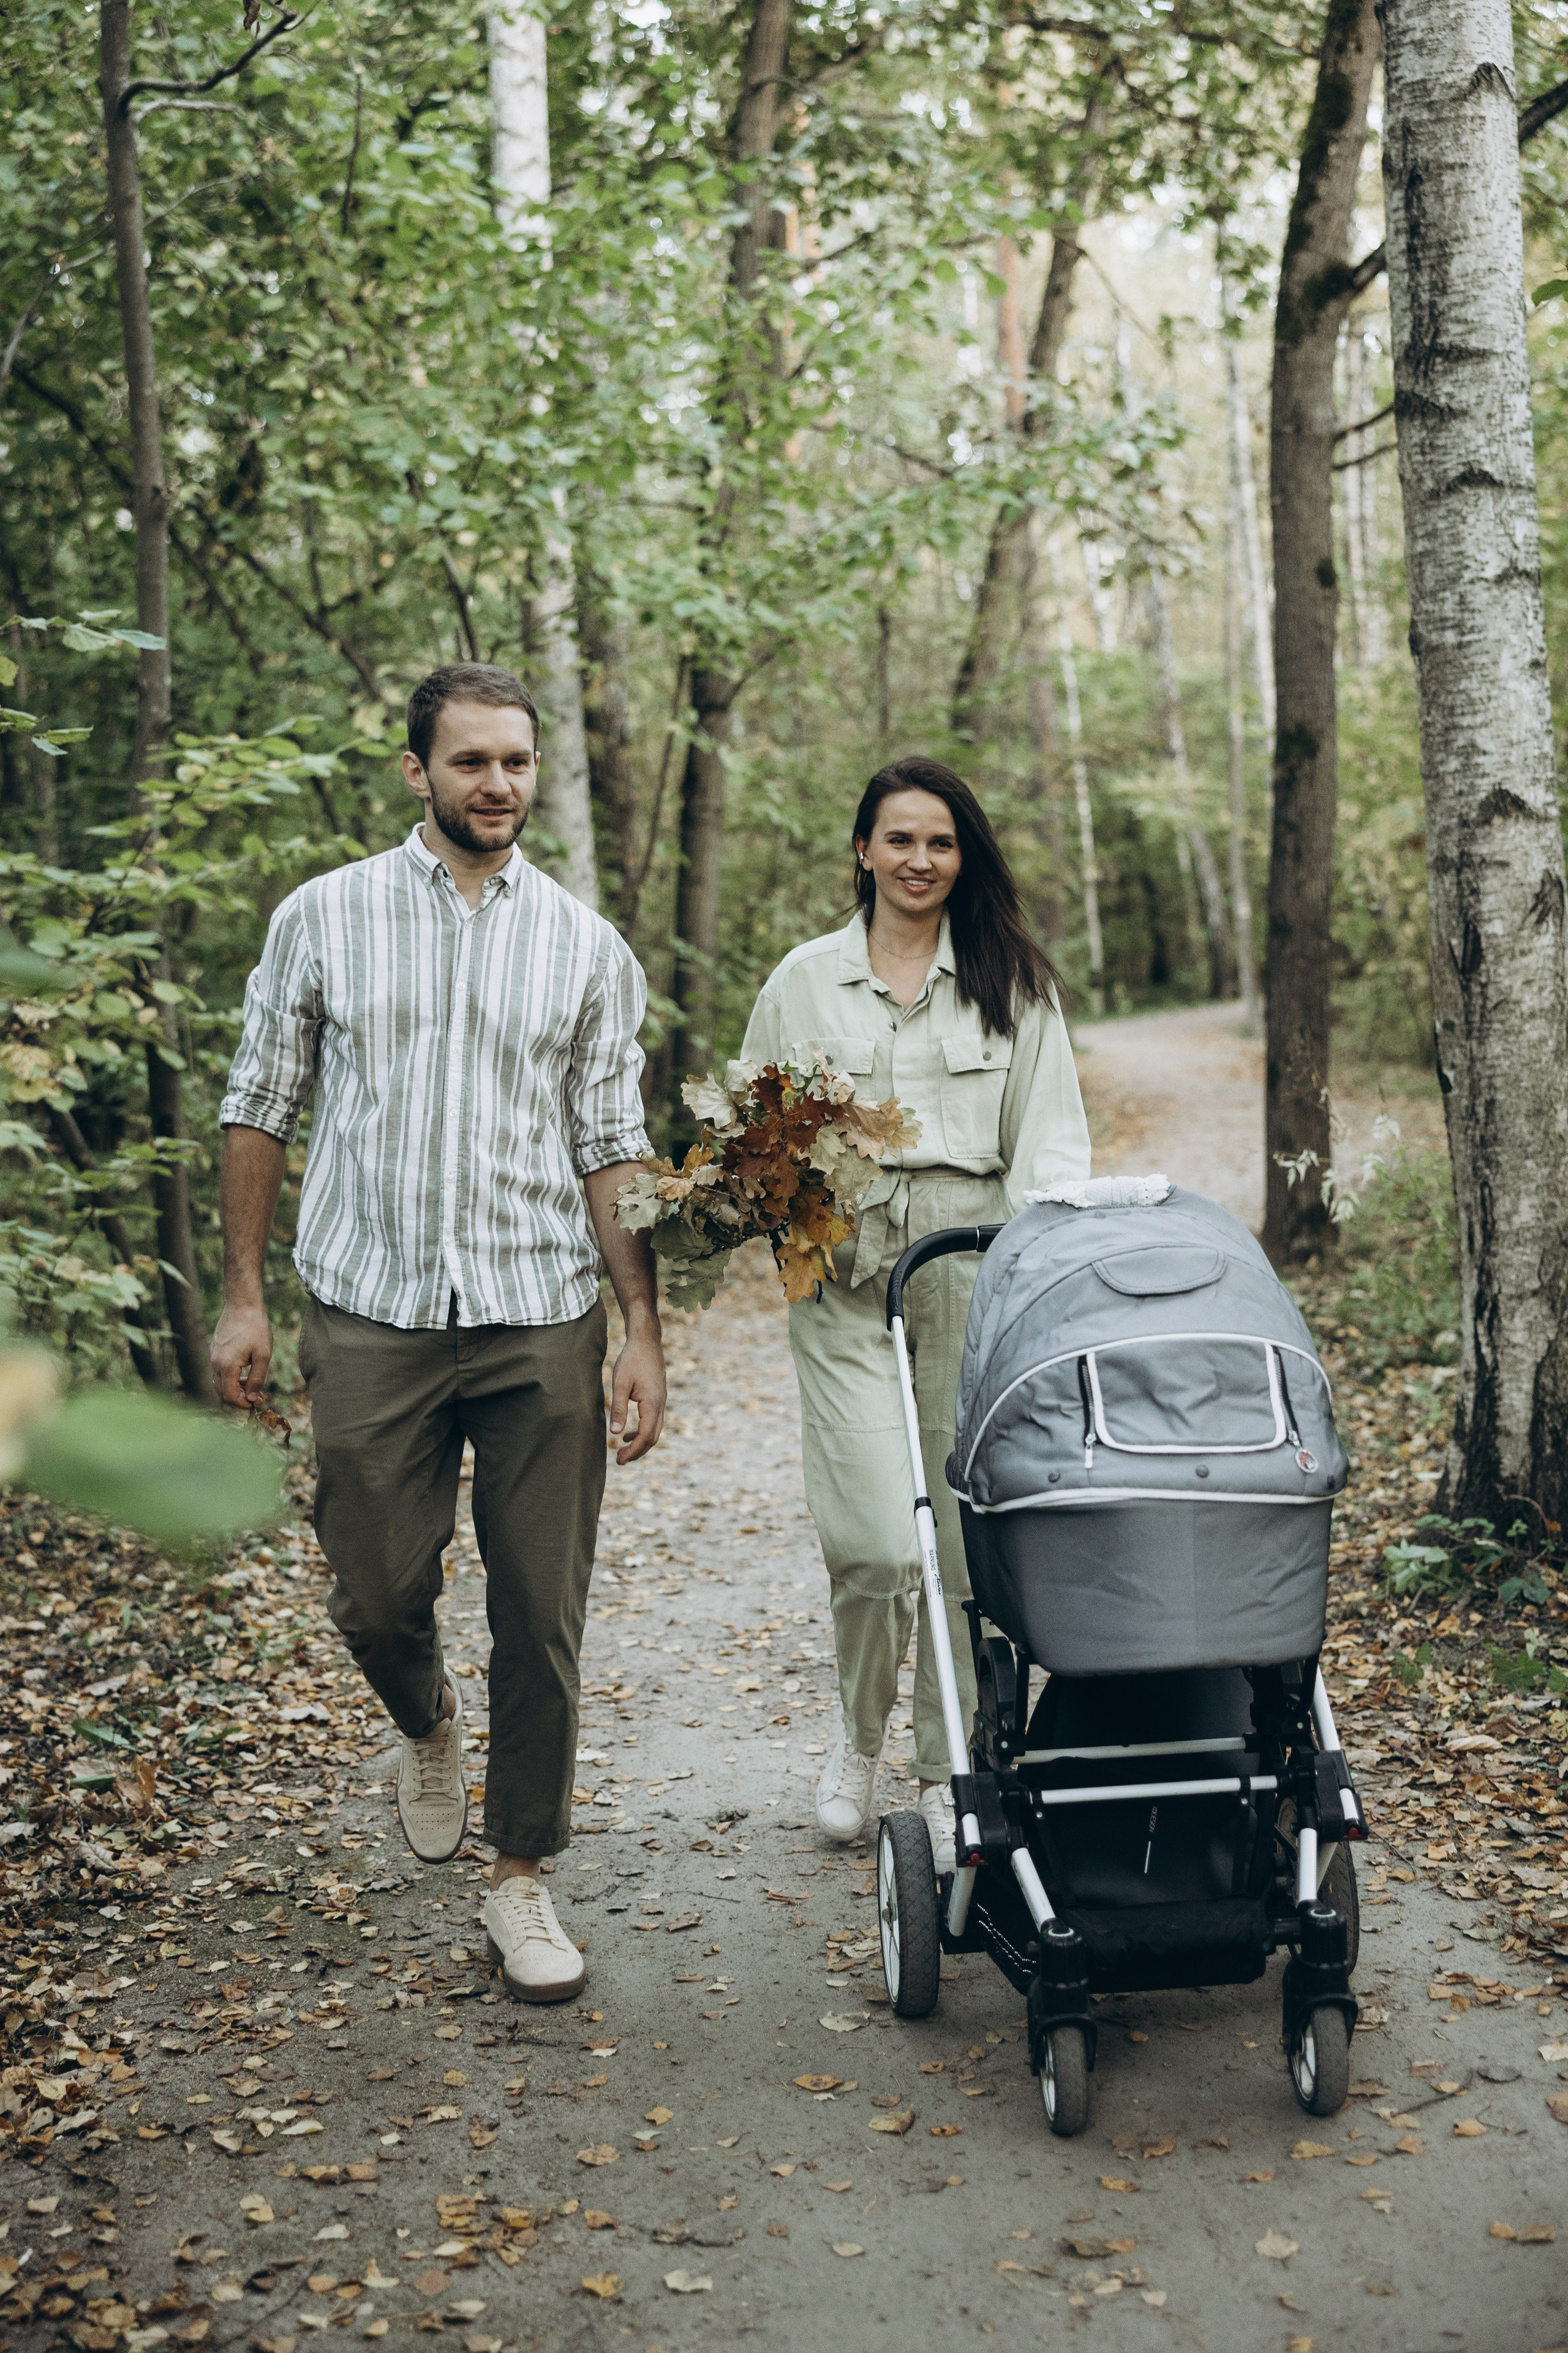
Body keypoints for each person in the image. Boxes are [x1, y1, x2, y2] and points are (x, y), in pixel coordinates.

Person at [211, 662, 666, 2004]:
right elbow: (260, 1104)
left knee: (541, 1609)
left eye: (515, 763)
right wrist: (243, 1292)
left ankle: (519, 1876)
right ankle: (422, 1720)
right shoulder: (325, 918)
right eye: (470, 762)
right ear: (418, 770)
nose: (496, 785)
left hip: (539, 1314)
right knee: (370, 1583)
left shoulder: (586, 947)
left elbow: (611, 1147)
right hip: (372, 1307)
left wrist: (641, 1326)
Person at [742, 756, 1090, 1867]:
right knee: (876, 1543)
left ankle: (954, 1772)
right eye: (899, 840)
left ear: (962, 854)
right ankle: (855, 1739)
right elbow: (755, 1133)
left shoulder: (1011, 980)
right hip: (843, 1281)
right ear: (862, 850)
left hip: (969, 1279)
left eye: (939, 842)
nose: (919, 861)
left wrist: (1029, 1273)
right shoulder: (803, 980)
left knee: (957, 1541)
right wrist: (770, 1208)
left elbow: (1051, 1141)